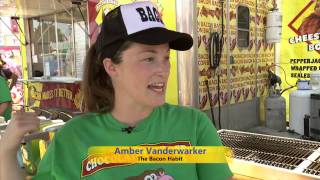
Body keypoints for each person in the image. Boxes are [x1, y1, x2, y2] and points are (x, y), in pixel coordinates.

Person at [0, 1, 233, 179]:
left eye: (165, 58)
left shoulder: (194, 125)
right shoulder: (73, 139)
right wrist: (6, 151)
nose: (163, 70)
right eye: (149, 58)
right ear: (112, 67)